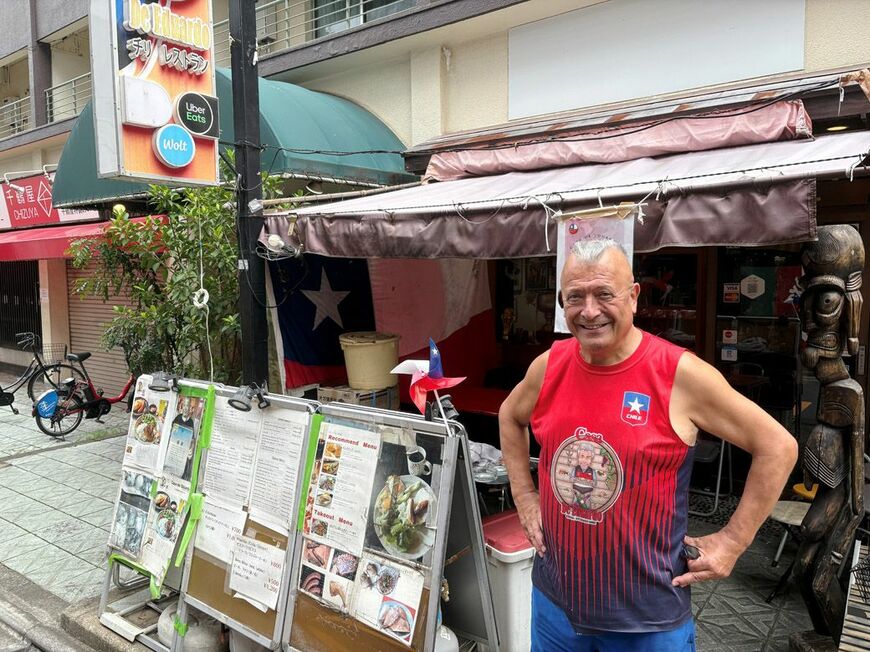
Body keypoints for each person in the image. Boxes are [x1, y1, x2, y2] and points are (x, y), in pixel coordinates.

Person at [499, 238, 797, 651]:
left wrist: (733, 541)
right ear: (561, 302)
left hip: (647, 618)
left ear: (634, 297)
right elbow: (510, 417)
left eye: (605, 294)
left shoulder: (679, 374)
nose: (589, 310)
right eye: (575, 297)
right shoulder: (550, 365)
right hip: (555, 605)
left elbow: (777, 446)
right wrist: (524, 496)